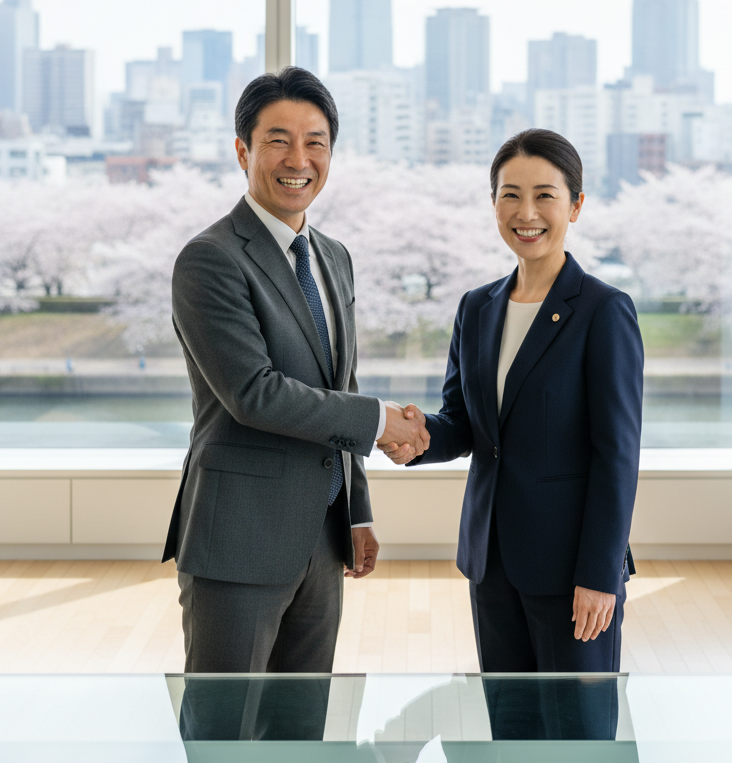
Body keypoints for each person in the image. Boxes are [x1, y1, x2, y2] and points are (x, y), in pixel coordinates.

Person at [163, 67, 428, 738]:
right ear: (242, 150)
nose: (298, 160)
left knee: (300, 730)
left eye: (316, 142)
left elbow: (336, 387)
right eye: (278, 140)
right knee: (223, 732)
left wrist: (357, 511)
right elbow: (253, 392)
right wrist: (379, 422)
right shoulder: (211, 260)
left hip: (321, 537)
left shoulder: (334, 257)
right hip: (237, 539)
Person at [383, 129, 643, 739]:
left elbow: (617, 455)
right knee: (511, 732)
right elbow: (467, 426)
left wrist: (600, 576)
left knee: (580, 740)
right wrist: (416, 440)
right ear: (494, 203)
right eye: (510, 195)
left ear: (575, 206)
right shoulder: (478, 307)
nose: (526, 214)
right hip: (491, 563)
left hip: (572, 573)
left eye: (545, 196)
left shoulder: (604, 310)